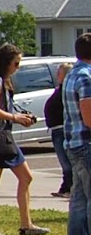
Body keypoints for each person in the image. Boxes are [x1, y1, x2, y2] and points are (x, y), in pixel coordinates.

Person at [0, 44, 48, 235]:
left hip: (5, 136)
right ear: (6, 62)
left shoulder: (4, 81)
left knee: (26, 177)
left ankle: (27, 224)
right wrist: (16, 118)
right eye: (15, 63)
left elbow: (3, 108)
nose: (17, 67)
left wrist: (21, 117)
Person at [60, 33, 91, 235]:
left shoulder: (72, 74)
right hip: (86, 143)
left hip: (73, 143)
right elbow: (89, 117)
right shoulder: (87, 77)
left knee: (79, 200)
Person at [46, 63, 73, 198]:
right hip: (56, 129)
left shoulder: (67, 89)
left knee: (66, 161)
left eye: (59, 72)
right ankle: (65, 187)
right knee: (64, 162)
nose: (57, 75)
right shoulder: (60, 88)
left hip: (62, 129)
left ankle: (69, 188)